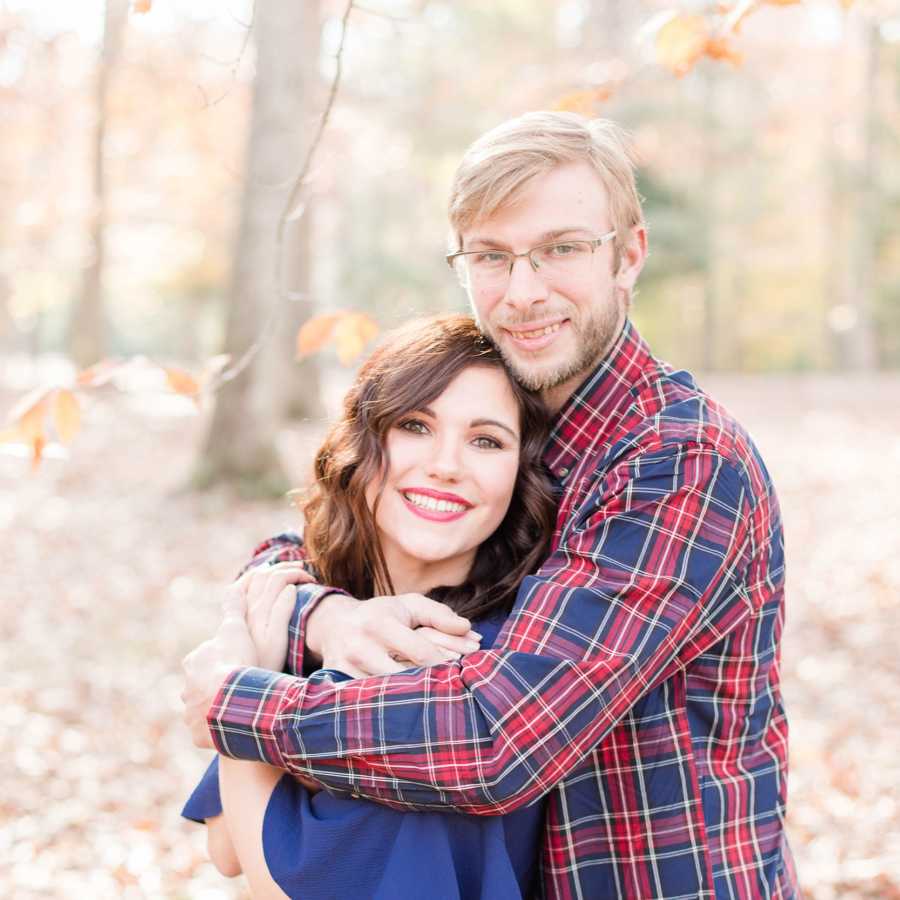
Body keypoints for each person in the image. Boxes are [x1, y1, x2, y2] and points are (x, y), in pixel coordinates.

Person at [183, 111, 800, 899]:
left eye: (562, 250)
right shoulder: (516, 414)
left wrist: (238, 699)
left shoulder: (679, 459)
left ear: (629, 255)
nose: (523, 292)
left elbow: (497, 738)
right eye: (491, 256)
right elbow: (311, 535)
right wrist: (323, 615)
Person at [182, 314, 558, 899]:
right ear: (363, 439)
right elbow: (226, 843)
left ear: (520, 472)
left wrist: (240, 685)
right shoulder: (330, 605)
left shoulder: (457, 662)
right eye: (415, 425)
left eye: (486, 440)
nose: (446, 464)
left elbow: (277, 883)